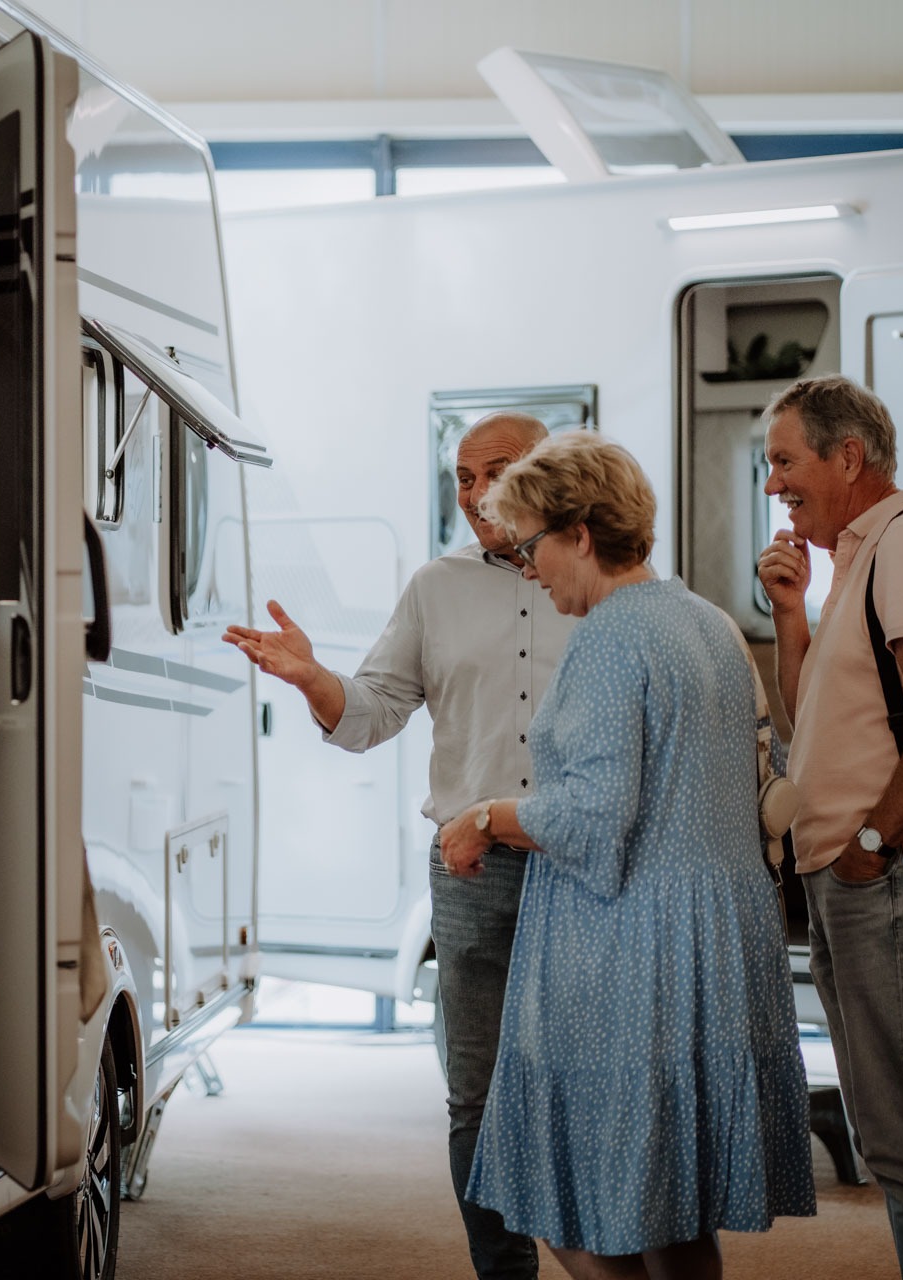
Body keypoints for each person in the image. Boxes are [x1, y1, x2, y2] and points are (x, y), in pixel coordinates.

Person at [445, 431, 816, 1280]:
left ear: (580, 534)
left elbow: (592, 817)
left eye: (531, 546)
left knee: (567, 1195)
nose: (528, 569)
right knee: (675, 1206)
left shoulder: (612, 637)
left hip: (631, 951)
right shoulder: (706, 620)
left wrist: (485, 817)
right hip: (713, 938)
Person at [223, 412, 571, 1280]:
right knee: (477, 1099)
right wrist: (316, 678)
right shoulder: (434, 588)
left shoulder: (606, 586)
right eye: (462, 477)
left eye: (496, 472)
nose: (476, 493)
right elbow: (373, 711)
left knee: (589, 1091)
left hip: (585, 867)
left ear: (549, 472)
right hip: (473, 867)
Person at [756, 374, 903, 1280]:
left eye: (785, 461)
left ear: (848, 456)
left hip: (889, 879)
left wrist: (871, 846)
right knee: (886, 1131)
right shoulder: (859, 560)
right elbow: (812, 720)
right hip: (855, 880)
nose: (773, 483)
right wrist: (791, 618)